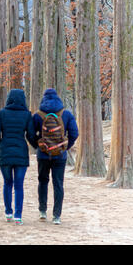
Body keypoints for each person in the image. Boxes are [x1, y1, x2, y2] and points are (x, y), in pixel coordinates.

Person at [32, 88, 78, 225]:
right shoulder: (66, 114)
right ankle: (56, 216)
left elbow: (30, 133)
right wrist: (65, 147)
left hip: (43, 155)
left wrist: (38, 146)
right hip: (60, 156)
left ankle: (42, 211)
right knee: (58, 184)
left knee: (43, 181)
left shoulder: (38, 115)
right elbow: (74, 133)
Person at [0, 89, 36, 225]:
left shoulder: (2, 113)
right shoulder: (27, 115)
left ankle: (8, 212)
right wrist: (36, 145)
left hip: (4, 152)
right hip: (21, 154)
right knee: (19, 185)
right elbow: (30, 135)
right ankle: (18, 215)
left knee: (7, 183)